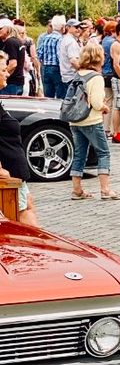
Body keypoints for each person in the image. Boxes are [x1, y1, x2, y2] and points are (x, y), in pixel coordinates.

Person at [68, 43, 119, 200]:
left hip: (75, 121)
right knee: (103, 152)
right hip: (91, 120)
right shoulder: (96, 78)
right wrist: (105, 107)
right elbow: (96, 102)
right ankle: (105, 189)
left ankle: (77, 189)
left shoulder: (78, 74)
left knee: (79, 154)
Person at [0, 93, 38, 225]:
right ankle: (34, 244)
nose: (8, 73)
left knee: (28, 204)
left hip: (16, 169)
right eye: (3, 70)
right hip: (10, 171)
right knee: (22, 211)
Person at [38, 17, 65, 98]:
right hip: (56, 67)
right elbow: (59, 55)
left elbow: (39, 53)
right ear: (62, 27)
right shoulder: (60, 39)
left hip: (45, 67)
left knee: (48, 95)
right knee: (60, 94)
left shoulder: (45, 37)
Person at [0, 18, 25, 96]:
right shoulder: (17, 41)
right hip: (18, 82)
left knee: (6, 106)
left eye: (0, 28)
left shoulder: (10, 42)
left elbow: (13, 64)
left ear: (7, 28)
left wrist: (2, 75)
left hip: (11, 83)